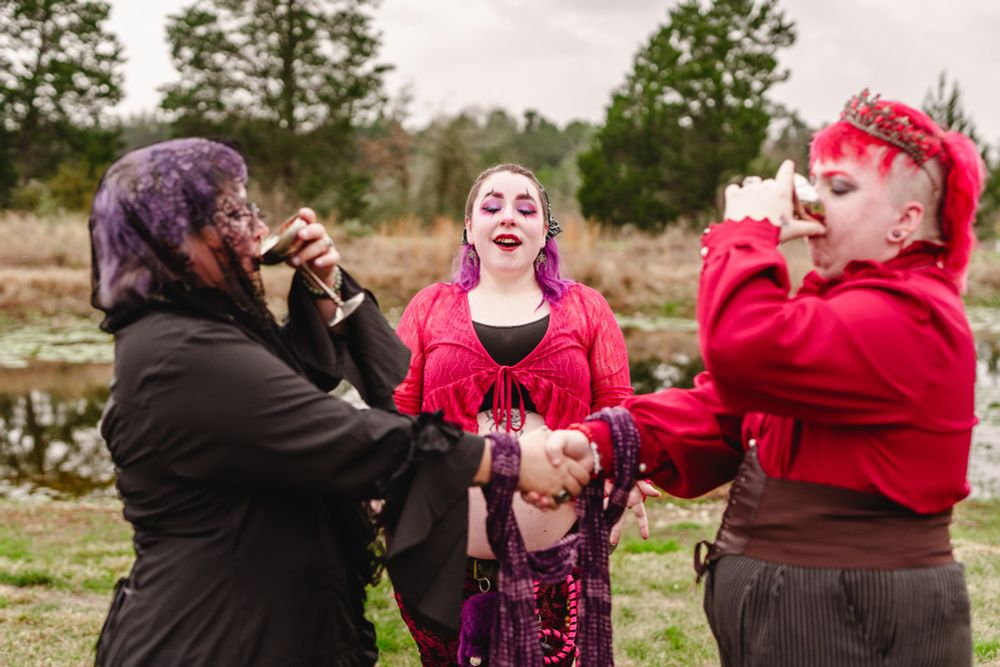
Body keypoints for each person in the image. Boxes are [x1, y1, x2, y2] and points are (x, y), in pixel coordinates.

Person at [88, 139, 592, 667]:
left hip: (285, 630)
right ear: (173, 240)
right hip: (209, 639)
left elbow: (399, 399)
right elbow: (346, 438)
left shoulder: (211, 331)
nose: (258, 229)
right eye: (232, 214)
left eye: (250, 209)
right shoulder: (176, 354)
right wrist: (507, 461)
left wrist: (326, 286)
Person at [546, 90, 986, 666]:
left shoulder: (911, 315)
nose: (812, 209)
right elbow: (733, 412)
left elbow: (743, 348)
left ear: (905, 221)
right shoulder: (852, 307)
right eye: (817, 184)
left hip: (850, 611)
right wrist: (605, 443)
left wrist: (747, 233)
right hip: (804, 609)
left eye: (840, 189)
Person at [392, 163, 649, 665]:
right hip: (439, 551)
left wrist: (627, 478)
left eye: (525, 208)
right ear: (470, 228)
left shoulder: (588, 308)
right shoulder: (428, 307)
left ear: (544, 230)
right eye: (492, 206)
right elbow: (396, 415)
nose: (508, 216)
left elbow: (619, 412)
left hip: (558, 556)